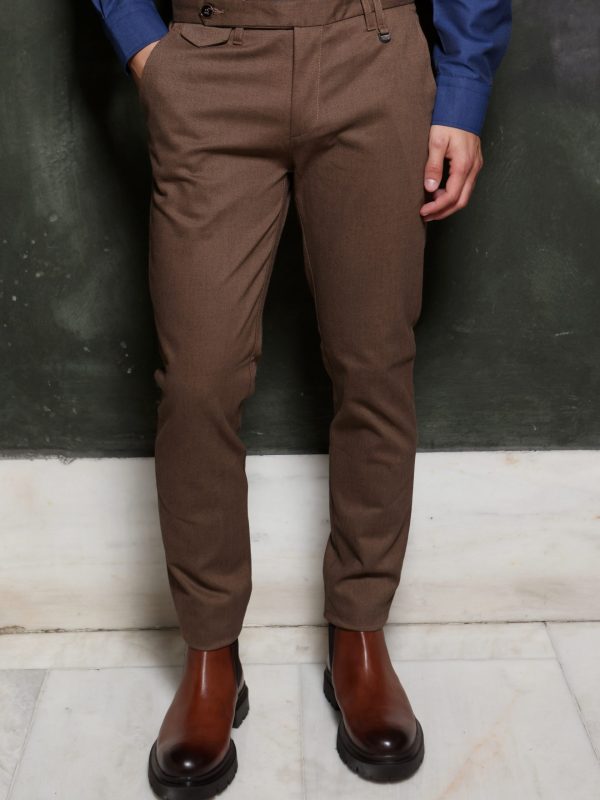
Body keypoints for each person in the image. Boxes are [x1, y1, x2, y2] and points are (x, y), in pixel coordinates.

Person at [90, 0, 512, 796]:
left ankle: (360, 635)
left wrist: (462, 87)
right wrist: (146, 49)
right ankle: (210, 653)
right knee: (198, 380)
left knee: (374, 367)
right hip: (210, 60)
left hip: (371, 52)